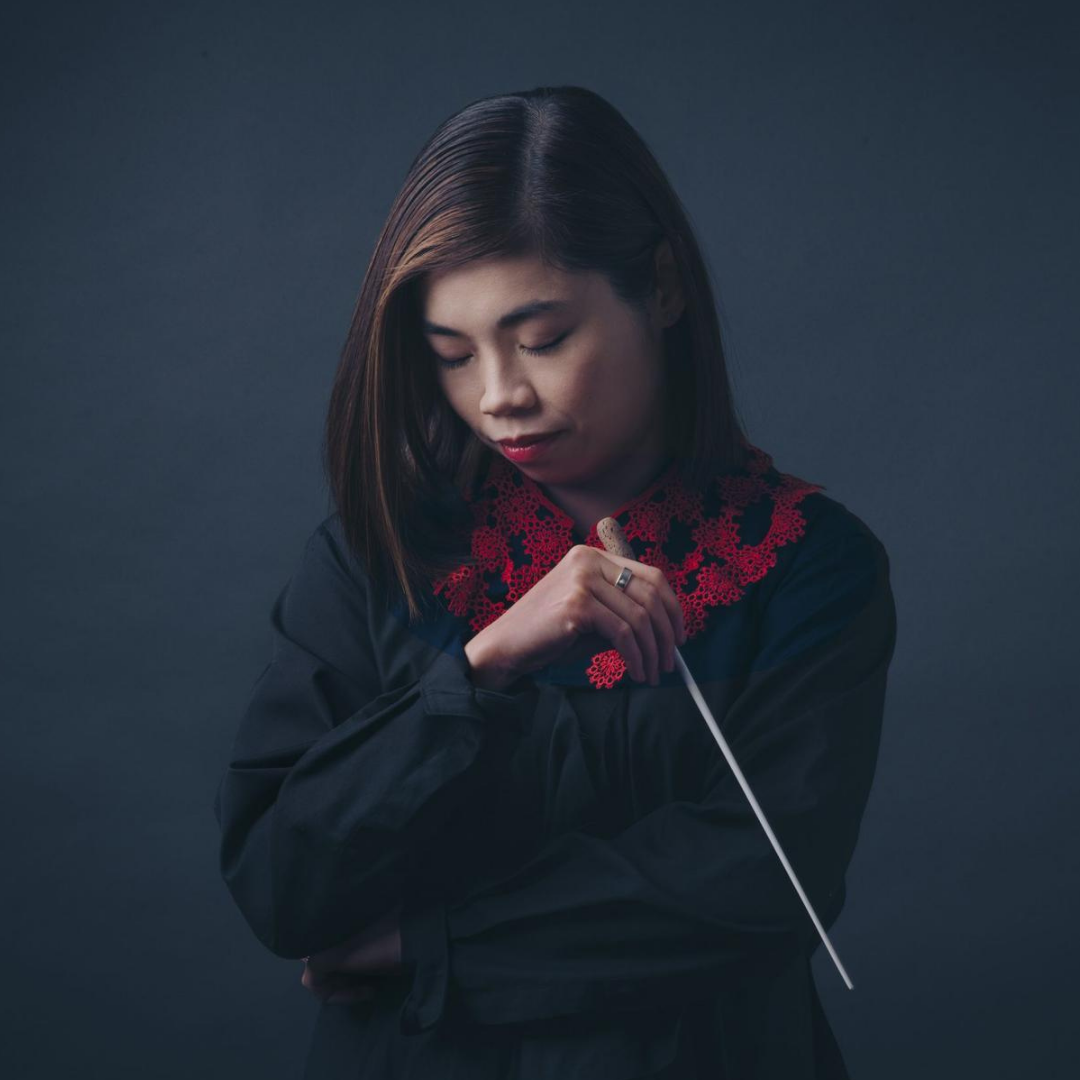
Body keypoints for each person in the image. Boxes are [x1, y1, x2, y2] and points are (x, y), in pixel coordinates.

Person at [213, 85, 897, 1079]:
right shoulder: (376, 557)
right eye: (452, 354)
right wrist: (481, 669)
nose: (499, 397)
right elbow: (283, 883)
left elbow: (758, 890)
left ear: (662, 290)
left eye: (542, 340)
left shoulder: (804, 563)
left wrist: (430, 945)